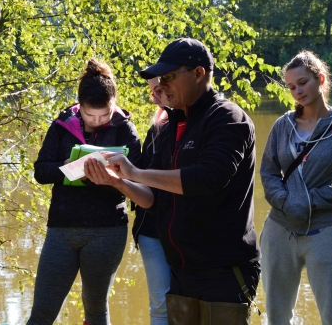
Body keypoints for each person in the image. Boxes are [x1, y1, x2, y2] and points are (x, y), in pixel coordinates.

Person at [84, 38, 261, 324]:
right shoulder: (169, 128)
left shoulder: (228, 118)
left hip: (224, 271)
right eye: (159, 78)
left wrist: (135, 173)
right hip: (180, 270)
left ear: (199, 73)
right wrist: (118, 182)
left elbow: (209, 178)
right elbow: (155, 200)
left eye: (169, 76)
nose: (161, 85)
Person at [28, 59, 141, 325]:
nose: (98, 121)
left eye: (105, 115)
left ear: (114, 103)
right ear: (80, 107)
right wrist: (65, 168)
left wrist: (116, 176)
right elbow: (41, 171)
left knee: (95, 308)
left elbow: (141, 177)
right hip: (62, 228)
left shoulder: (124, 128)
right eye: (91, 116)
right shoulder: (62, 124)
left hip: (107, 229)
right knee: (43, 309)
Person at [259, 51, 332, 325]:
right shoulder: (282, 126)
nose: (297, 91)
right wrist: (283, 200)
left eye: (302, 83)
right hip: (279, 231)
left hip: (326, 232)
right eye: (291, 87)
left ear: (321, 79)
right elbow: (268, 172)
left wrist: (310, 200)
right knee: (277, 317)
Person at [131, 77, 171, 325]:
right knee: (159, 305)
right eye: (152, 91)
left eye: (159, 91)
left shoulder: (206, 124)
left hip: (189, 231)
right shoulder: (155, 129)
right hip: (151, 230)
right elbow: (142, 177)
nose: (153, 97)